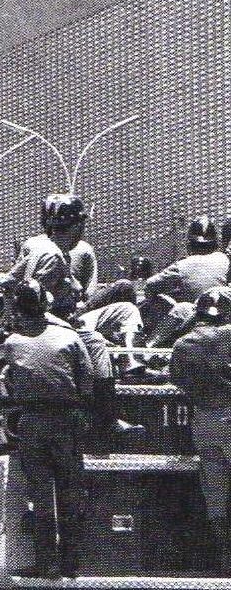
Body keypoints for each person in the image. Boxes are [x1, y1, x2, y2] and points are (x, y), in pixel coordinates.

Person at [0, 193, 143, 436]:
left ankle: (132, 362)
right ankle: (107, 419)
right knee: (95, 342)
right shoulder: (53, 256)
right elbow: (33, 302)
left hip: (65, 317)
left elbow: (7, 282)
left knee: (125, 310)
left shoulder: (44, 248)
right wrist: (62, 326)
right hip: (52, 324)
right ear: (75, 226)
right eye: (81, 224)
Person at [3, 279, 91, 579]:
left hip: (32, 422)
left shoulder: (12, 343)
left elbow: (10, 382)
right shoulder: (70, 337)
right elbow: (87, 379)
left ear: (18, 308)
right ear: (46, 305)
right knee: (70, 491)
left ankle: (47, 563)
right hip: (66, 419)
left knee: (41, 495)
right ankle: (71, 562)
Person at [171, 286, 231, 574]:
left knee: (216, 495)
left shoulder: (184, 343)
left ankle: (226, 561)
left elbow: (177, 380)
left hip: (205, 419)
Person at [143, 216, 229, 346]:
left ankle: (150, 347)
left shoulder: (182, 265)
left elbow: (149, 286)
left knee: (179, 307)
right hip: (224, 321)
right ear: (215, 243)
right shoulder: (225, 260)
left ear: (189, 244)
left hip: (196, 321)